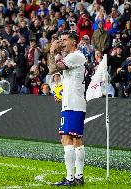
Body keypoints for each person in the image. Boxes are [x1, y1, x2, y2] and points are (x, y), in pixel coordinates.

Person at [48, 30, 86, 186]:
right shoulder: (72, 57)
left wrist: (52, 51)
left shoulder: (75, 56)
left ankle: (70, 178)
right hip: (71, 102)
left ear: (74, 42)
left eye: (64, 40)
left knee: (66, 138)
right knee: (76, 139)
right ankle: (78, 177)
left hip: (73, 104)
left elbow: (52, 69)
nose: (62, 42)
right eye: (61, 40)